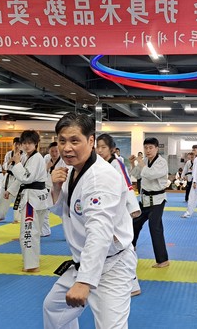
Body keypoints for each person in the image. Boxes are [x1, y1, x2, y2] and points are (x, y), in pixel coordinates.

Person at [43, 113, 137, 328]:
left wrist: (84, 282)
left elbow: (100, 232)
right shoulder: (71, 170)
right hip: (83, 262)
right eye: (62, 140)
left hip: (111, 266)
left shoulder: (100, 177)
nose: (67, 148)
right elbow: (65, 212)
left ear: (91, 141)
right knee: (54, 307)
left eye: (75, 141)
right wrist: (56, 188)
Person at [96, 133, 142, 296]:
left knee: (121, 246)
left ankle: (131, 284)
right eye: (98, 147)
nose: (100, 150)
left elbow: (127, 184)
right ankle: (133, 284)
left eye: (103, 147)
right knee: (116, 246)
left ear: (111, 149)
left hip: (119, 210)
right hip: (107, 208)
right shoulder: (100, 164)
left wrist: (133, 207)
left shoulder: (116, 163)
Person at [7, 130, 51, 273]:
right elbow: (22, 180)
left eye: (29, 143)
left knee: (29, 231)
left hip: (32, 199)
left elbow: (26, 178)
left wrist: (17, 163)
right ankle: (32, 261)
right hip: (35, 197)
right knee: (33, 231)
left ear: (36, 143)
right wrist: (10, 190)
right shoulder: (28, 157)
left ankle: (31, 264)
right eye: (24, 143)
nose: (26, 146)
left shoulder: (36, 158)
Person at [129, 138, 170, 268]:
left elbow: (151, 175)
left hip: (158, 200)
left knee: (155, 227)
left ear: (157, 148)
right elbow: (137, 175)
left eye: (150, 147)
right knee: (135, 222)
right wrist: (132, 164)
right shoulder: (145, 161)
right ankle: (130, 247)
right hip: (145, 199)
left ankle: (163, 260)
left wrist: (141, 163)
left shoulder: (161, 162)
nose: (148, 150)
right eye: (146, 147)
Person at [0, 137, 23, 223]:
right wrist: (11, 160)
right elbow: (4, 166)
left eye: (19, 144)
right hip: (7, 177)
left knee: (17, 199)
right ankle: (0, 216)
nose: (17, 146)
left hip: (17, 179)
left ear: (21, 145)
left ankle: (17, 219)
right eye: (15, 144)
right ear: (13, 144)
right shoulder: (8, 154)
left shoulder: (24, 155)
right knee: (1, 197)